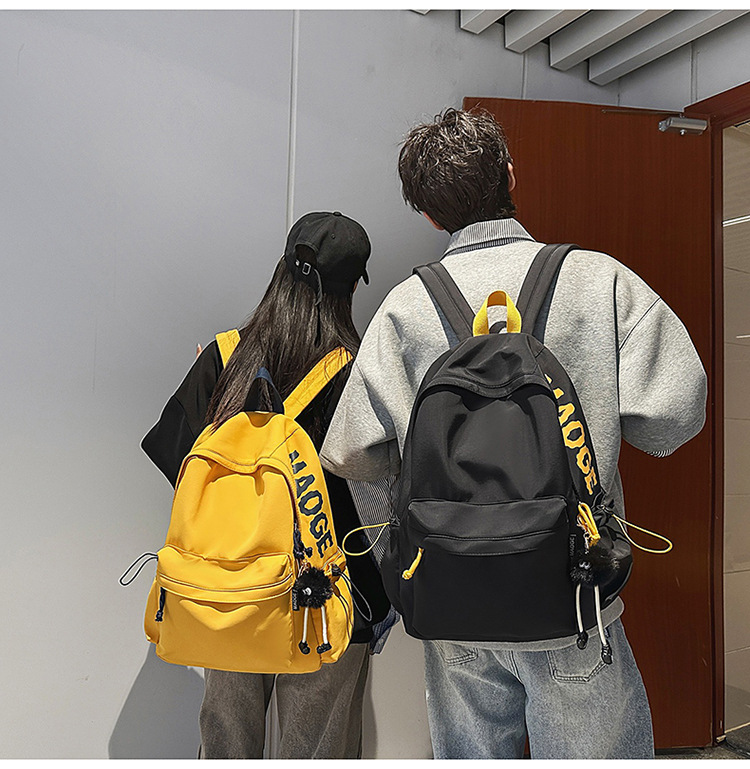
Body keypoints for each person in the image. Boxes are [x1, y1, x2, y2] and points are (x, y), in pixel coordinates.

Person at [319, 108, 707, 759]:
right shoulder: (600, 280)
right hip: (572, 591)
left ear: (429, 216)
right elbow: (674, 413)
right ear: (510, 175)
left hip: (452, 599)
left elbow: (351, 450)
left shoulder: (405, 307)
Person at [140, 211, 390, 759]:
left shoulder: (225, 355)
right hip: (322, 597)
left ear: (282, 268)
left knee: (226, 745)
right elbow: (374, 498)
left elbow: (180, 463)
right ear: (351, 288)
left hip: (228, 593)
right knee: (317, 750)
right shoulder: (354, 372)